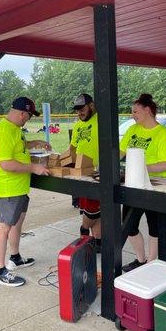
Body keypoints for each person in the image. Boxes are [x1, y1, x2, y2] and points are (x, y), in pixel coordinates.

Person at [0, 96, 51, 287]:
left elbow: (19, 147)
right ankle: (0, 271)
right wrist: (34, 168)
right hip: (9, 187)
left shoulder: (15, 129)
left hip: (19, 187)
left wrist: (33, 143)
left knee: (17, 223)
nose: (28, 120)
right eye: (29, 116)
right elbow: (6, 163)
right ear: (22, 113)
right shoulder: (3, 131)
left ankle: (15, 258)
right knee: (4, 227)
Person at [120, 93, 166, 272]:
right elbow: (120, 151)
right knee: (128, 225)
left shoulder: (163, 134)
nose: (132, 115)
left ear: (148, 110)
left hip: (157, 186)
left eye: (135, 111)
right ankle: (140, 259)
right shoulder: (132, 130)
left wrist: (141, 167)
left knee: (155, 227)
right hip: (133, 184)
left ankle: (151, 263)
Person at [66, 93, 101, 252]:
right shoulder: (78, 125)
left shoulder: (101, 120)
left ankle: (84, 232)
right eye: (77, 110)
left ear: (91, 106)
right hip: (81, 173)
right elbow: (72, 148)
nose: (79, 112)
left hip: (98, 174)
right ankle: (97, 243)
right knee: (95, 211)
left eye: (82, 108)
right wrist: (62, 161)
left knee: (94, 211)